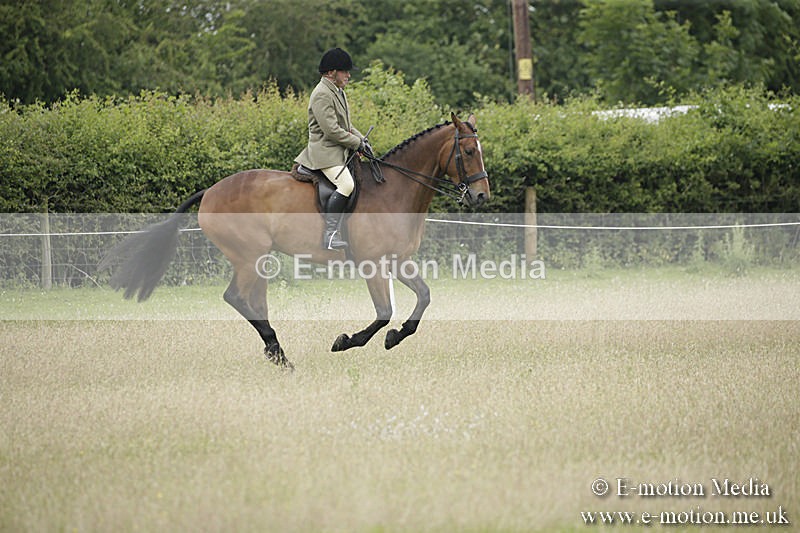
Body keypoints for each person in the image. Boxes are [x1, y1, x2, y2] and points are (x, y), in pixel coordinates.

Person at [295, 47, 366, 250]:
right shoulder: (322, 94)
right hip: (325, 153)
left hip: (339, 152)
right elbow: (332, 131)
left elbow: (347, 126)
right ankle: (330, 235)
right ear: (331, 72)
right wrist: (356, 143)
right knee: (347, 185)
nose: (348, 75)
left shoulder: (338, 92)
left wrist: (362, 140)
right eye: (345, 71)